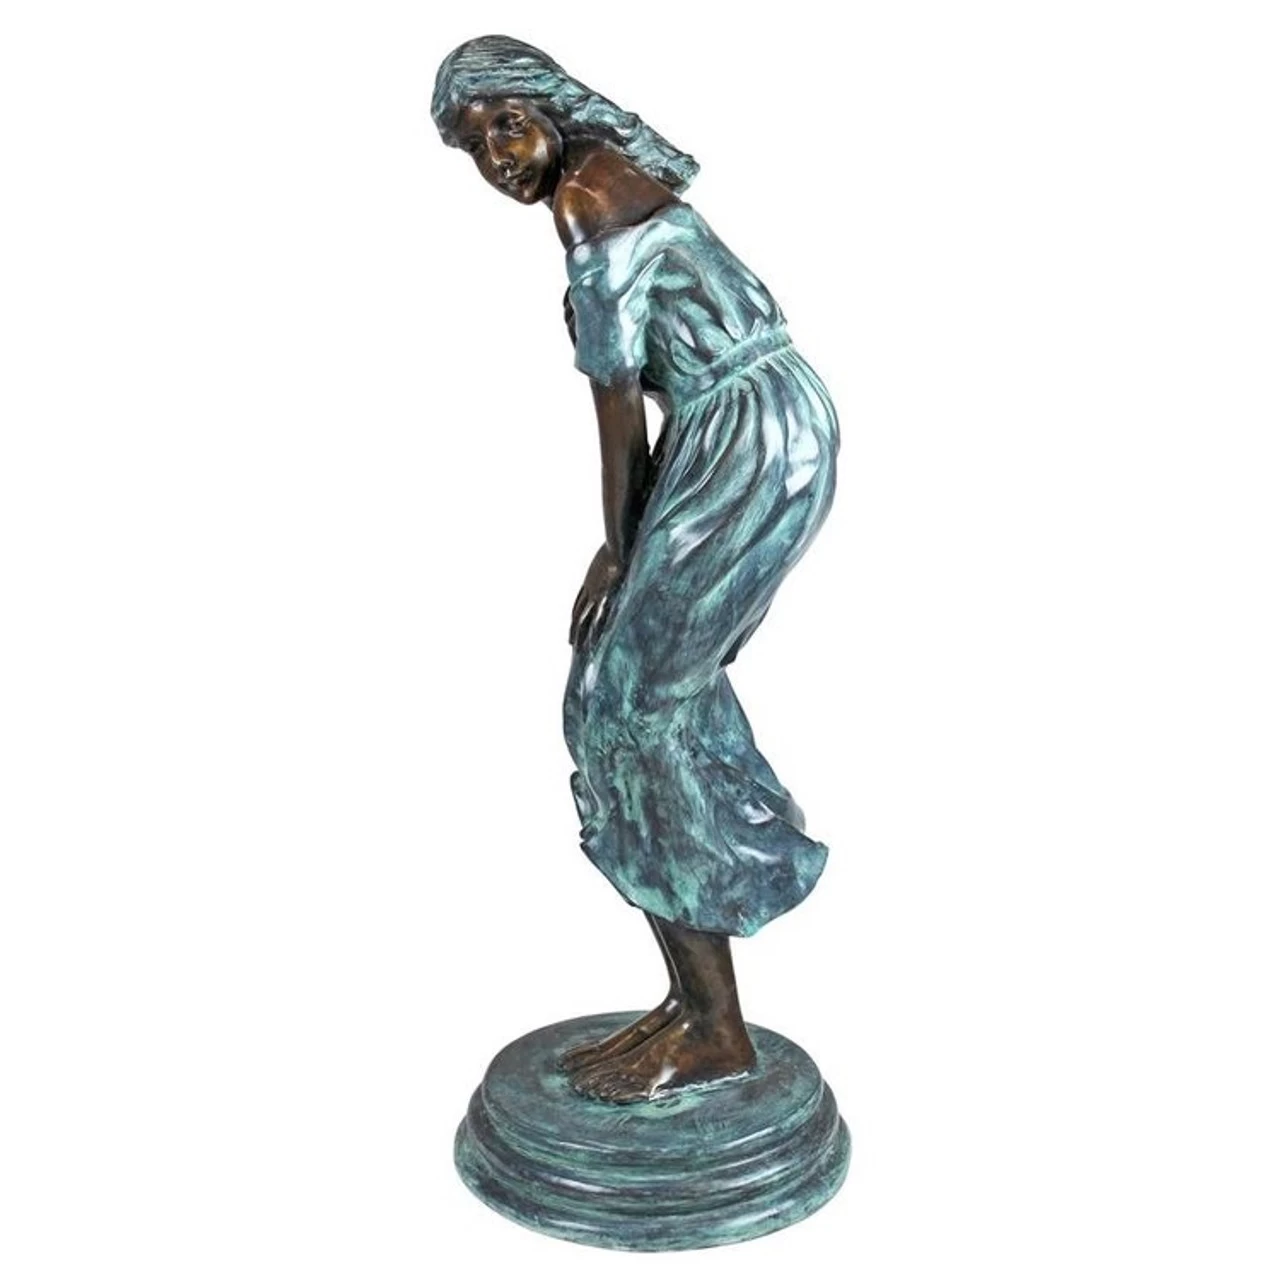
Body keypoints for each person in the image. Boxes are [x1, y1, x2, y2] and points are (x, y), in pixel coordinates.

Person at [433, 36, 839, 1103]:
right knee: (626, 699)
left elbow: (618, 412)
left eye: (506, 124)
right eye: (476, 148)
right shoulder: (605, 178)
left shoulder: (588, 203)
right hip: (746, 434)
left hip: (747, 442)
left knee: (629, 708)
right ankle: (693, 997)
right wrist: (629, 540)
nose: (498, 158)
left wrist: (622, 545)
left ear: (551, 106)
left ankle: (714, 1025)